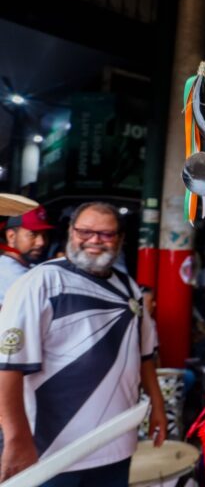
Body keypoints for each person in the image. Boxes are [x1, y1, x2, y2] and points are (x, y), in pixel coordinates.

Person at [0, 201, 166, 485]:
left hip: (116, 444)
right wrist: (17, 438)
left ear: (120, 240)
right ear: (71, 232)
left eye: (106, 234)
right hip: (53, 450)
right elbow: (7, 367)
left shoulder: (130, 288)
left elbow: (145, 355)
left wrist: (158, 407)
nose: (94, 241)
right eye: (85, 232)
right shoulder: (41, 282)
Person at [0, 206, 54, 306]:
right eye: (33, 234)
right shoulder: (9, 273)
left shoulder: (29, 267)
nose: (41, 242)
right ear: (11, 237)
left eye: (44, 235)